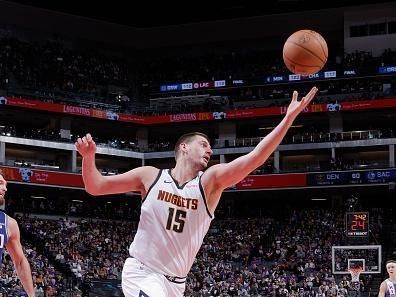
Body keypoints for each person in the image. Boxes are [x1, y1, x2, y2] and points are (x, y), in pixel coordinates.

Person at [75, 87, 318, 297]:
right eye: (203, 144)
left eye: (210, 147)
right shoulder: (150, 176)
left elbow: (255, 158)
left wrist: (288, 119)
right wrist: (88, 158)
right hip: (142, 272)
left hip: (176, 284)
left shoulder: (209, 183)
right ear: (184, 147)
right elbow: (96, 187)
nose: (209, 150)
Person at [0, 172, 35, 297]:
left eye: (5, 184)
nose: (5, 188)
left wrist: (31, 295)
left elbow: (20, 261)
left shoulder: (9, 223)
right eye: (0, 183)